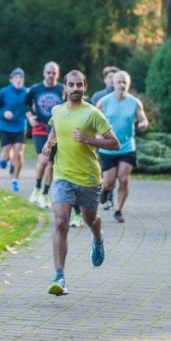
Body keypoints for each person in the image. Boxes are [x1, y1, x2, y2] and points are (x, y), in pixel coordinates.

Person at [42, 70, 120, 296]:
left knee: (89, 219)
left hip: (88, 178)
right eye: (71, 85)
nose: (75, 89)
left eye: (79, 85)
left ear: (85, 87)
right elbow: (54, 131)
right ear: (64, 88)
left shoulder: (93, 113)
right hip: (62, 175)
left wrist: (87, 140)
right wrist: (49, 144)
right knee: (60, 222)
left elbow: (114, 143)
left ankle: (98, 236)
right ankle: (59, 276)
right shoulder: (57, 111)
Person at [97, 71, 149, 223]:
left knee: (124, 178)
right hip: (108, 146)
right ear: (113, 83)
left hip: (127, 146)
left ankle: (118, 210)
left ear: (129, 84)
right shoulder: (104, 101)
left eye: (124, 82)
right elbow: (92, 121)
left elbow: (144, 119)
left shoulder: (135, 102)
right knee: (109, 180)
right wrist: (97, 135)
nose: (122, 85)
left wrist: (143, 124)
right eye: (119, 82)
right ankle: (105, 190)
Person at [25, 62, 64, 209]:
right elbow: (25, 103)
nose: (51, 75)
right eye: (48, 72)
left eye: (54, 73)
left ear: (57, 74)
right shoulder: (35, 89)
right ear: (43, 73)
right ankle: (36, 188)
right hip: (40, 129)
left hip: (56, 130)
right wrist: (30, 117)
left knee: (51, 164)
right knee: (43, 160)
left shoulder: (62, 89)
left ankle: (45, 194)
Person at [0, 68, 28, 192]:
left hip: (20, 127)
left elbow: (31, 108)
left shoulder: (27, 92)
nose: (19, 80)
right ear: (11, 79)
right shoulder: (4, 92)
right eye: (16, 78)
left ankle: (15, 180)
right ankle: (4, 159)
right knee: (7, 153)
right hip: (5, 127)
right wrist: (3, 113)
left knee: (18, 153)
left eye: (21, 78)